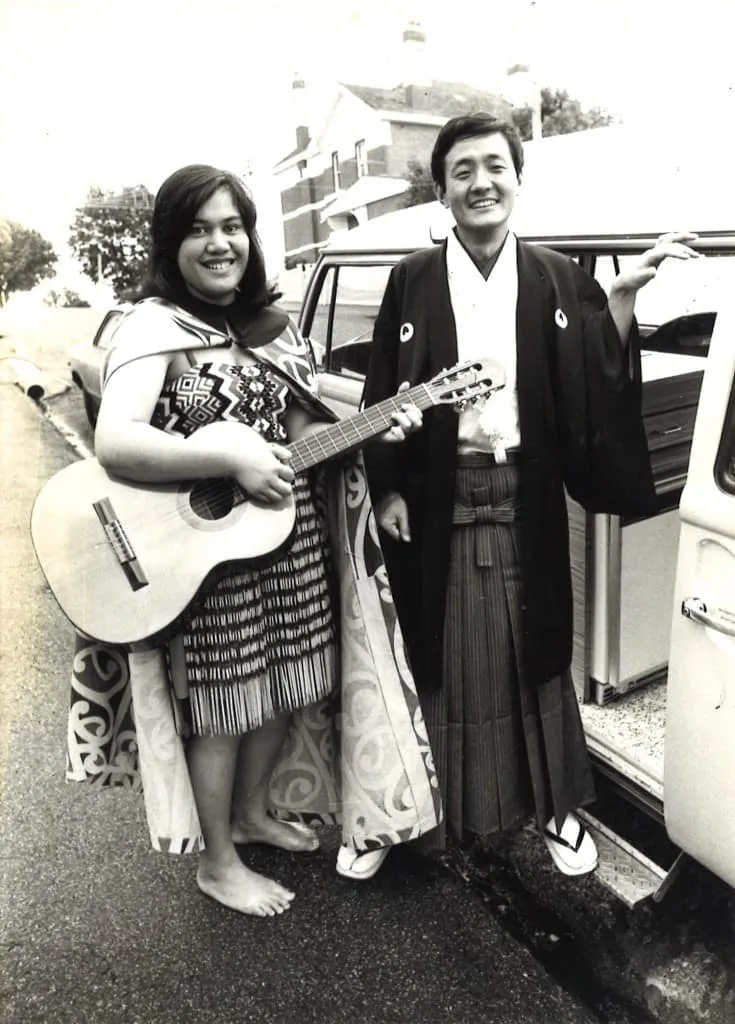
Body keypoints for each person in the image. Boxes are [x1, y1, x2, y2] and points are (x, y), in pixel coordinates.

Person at [67, 164, 436, 917]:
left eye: (231, 225)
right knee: (226, 707)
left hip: (288, 541)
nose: (219, 243)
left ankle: (251, 814)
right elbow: (117, 441)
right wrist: (228, 455)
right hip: (208, 556)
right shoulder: (153, 326)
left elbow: (302, 428)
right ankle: (218, 861)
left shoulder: (272, 325)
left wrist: (374, 430)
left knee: (285, 690)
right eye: (200, 228)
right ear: (172, 242)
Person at [358, 112, 699, 878]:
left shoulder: (552, 275)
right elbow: (379, 392)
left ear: (516, 178)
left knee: (532, 649)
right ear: (440, 189)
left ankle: (553, 809)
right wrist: (387, 490)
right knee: (434, 654)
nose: (481, 183)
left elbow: (588, 374)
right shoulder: (410, 281)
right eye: (462, 171)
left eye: (494, 167)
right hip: (437, 493)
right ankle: (407, 811)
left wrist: (614, 305)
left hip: (524, 492)